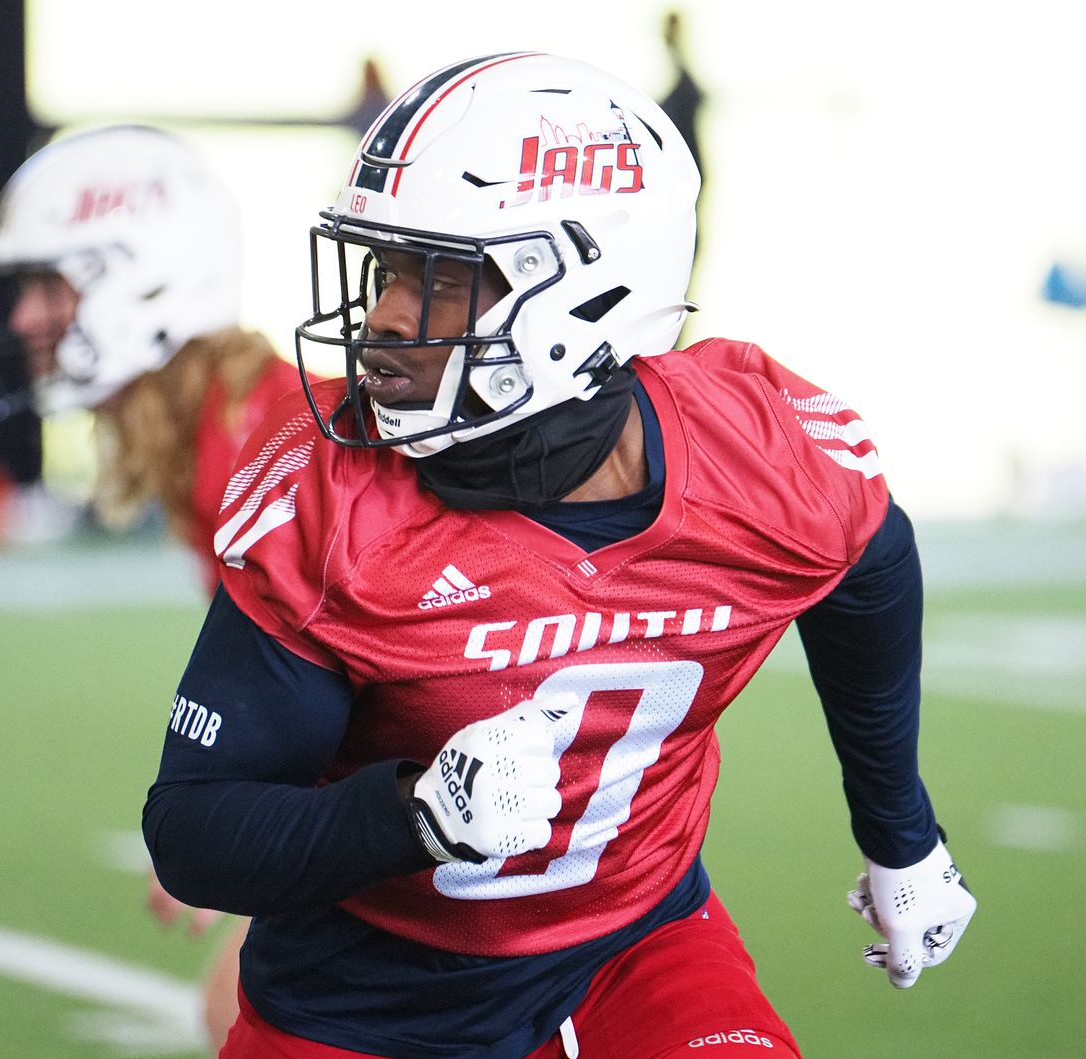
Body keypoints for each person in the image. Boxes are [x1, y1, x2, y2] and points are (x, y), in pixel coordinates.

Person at [143, 53, 976, 1058]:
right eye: (388, 269)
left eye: (439, 278)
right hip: (364, 998)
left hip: (631, 949)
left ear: (581, 297)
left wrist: (901, 835)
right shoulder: (333, 501)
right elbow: (196, 830)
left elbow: (869, 568)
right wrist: (413, 814)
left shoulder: (755, 454)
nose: (386, 318)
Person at [0, 123, 301, 1049]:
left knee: (248, 1006)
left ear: (142, 275)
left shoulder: (253, 448)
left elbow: (400, 662)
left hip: (481, 773)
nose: (28, 319)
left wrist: (258, 824)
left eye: (51, 285)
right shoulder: (227, 429)